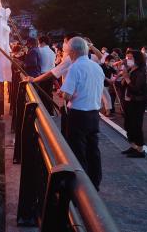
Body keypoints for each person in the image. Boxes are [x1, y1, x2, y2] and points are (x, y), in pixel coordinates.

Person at [59, 37, 105, 190]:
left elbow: (67, 94)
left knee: (78, 150)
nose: (67, 55)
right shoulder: (96, 67)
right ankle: (95, 183)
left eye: (68, 52)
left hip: (78, 114)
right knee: (93, 149)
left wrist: (62, 93)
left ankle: (81, 188)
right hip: (94, 114)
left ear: (73, 52)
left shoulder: (75, 68)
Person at [120, 50, 147, 158]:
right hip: (128, 100)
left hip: (137, 101)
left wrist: (126, 78)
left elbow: (137, 88)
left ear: (137, 59)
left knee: (136, 125)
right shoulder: (131, 69)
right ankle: (133, 146)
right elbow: (125, 84)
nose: (128, 60)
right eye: (127, 58)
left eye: (130, 58)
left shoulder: (141, 71)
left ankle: (140, 149)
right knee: (128, 124)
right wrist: (124, 78)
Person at [37, 36, 56, 115]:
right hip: (51, 75)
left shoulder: (40, 50)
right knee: (49, 93)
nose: (38, 44)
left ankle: (42, 113)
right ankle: (50, 111)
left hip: (42, 75)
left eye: (39, 42)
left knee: (41, 94)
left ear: (43, 42)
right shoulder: (52, 52)